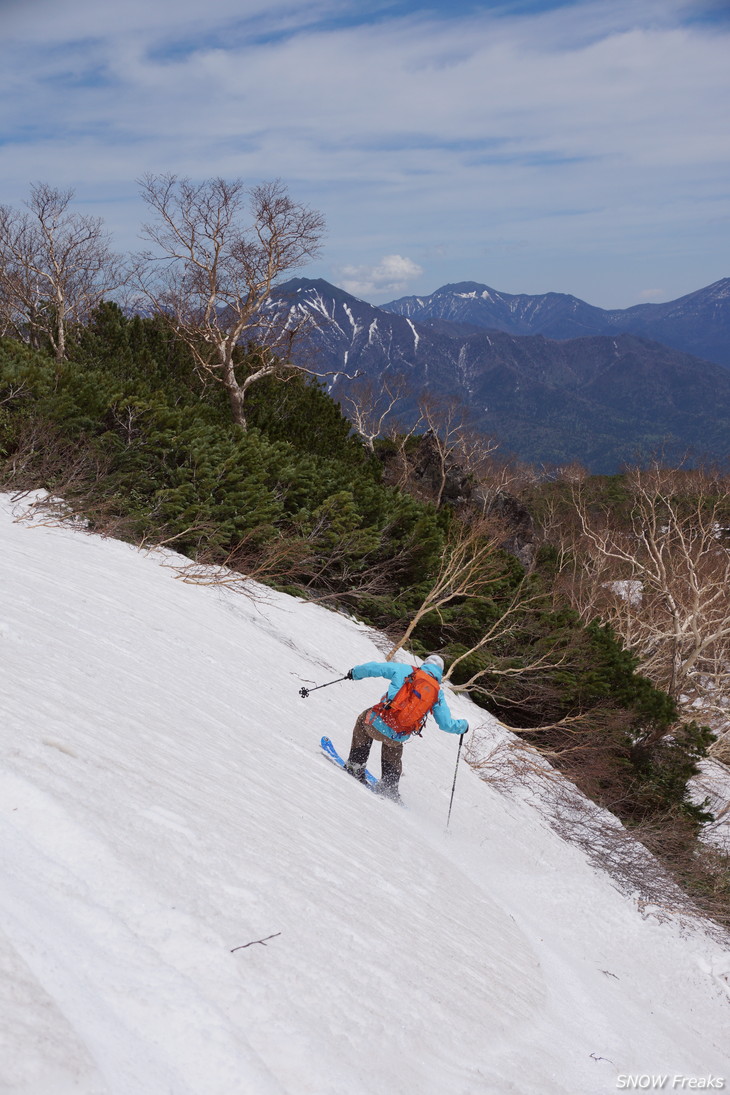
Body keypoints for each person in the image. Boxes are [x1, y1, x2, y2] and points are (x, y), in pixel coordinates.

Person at [344, 654, 468, 803]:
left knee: (363, 722)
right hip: (399, 734)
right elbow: (445, 724)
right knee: (394, 745)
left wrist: (355, 673)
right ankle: (389, 786)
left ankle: (355, 765)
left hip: (378, 722)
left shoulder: (406, 670)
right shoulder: (437, 692)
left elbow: (375, 668)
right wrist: (463, 726)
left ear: (425, 664)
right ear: (439, 673)